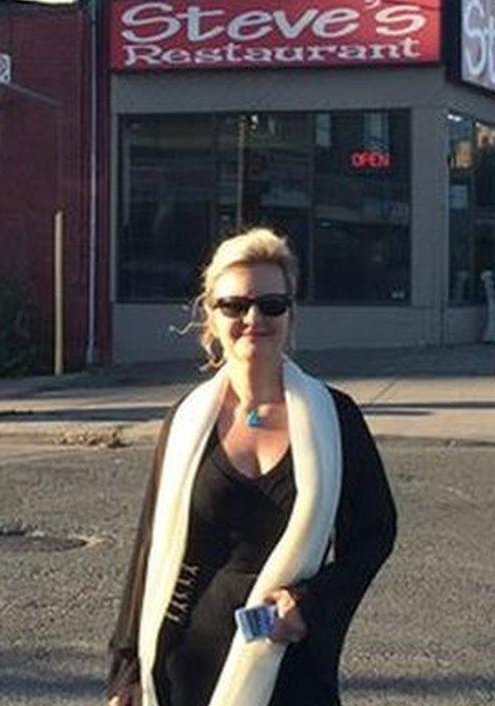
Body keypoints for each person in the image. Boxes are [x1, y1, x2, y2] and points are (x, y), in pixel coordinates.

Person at [107, 227, 397, 706]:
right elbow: (149, 546)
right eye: (235, 305)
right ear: (210, 314)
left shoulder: (335, 417)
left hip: (289, 663)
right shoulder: (186, 421)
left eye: (271, 304)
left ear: (290, 313)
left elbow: (375, 532)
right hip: (184, 662)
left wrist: (312, 606)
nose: (253, 318)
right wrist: (127, 673)